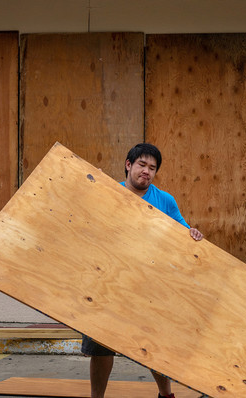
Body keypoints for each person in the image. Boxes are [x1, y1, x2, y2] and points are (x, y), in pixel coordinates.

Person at [81, 142, 203, 398]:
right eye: (142, 165)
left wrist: (191, 233)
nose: (146, 171)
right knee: (102, 347)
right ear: (129, 165)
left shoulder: (164, 200)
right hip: (109, 280)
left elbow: (181, 232)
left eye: (152, 168)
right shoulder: (109, 192)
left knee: (154, 344)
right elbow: (88, 227)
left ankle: (165, 394)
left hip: (148, 283)